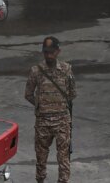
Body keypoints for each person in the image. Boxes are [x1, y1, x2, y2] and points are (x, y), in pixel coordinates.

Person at [25, 36, 76, 183]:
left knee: (63, 158)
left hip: (62, 122)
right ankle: (40, 180)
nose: (48, 55)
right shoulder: (36, 71)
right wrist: (40, 105)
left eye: (51, 52)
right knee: (41, 158)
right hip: (43, 123)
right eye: (46, 52)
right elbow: (28, 94)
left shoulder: (66, 70)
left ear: (58, 51)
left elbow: (72, 93)